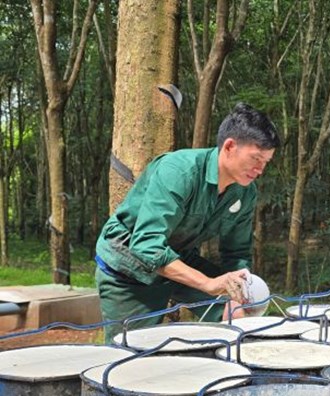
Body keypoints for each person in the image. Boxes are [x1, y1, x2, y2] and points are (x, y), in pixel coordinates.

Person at [95, 103, 280, 340]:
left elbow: (237, 253)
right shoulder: (179, 171)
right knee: (131, 355)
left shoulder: (245, 193)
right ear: (230, 146)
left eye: (266, 162)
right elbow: (146, 244)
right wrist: (208, 284)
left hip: (180, 257)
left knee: (239, 314)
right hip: (130, 264)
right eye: (256, 159)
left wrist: (241, 291)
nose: (260, 169)